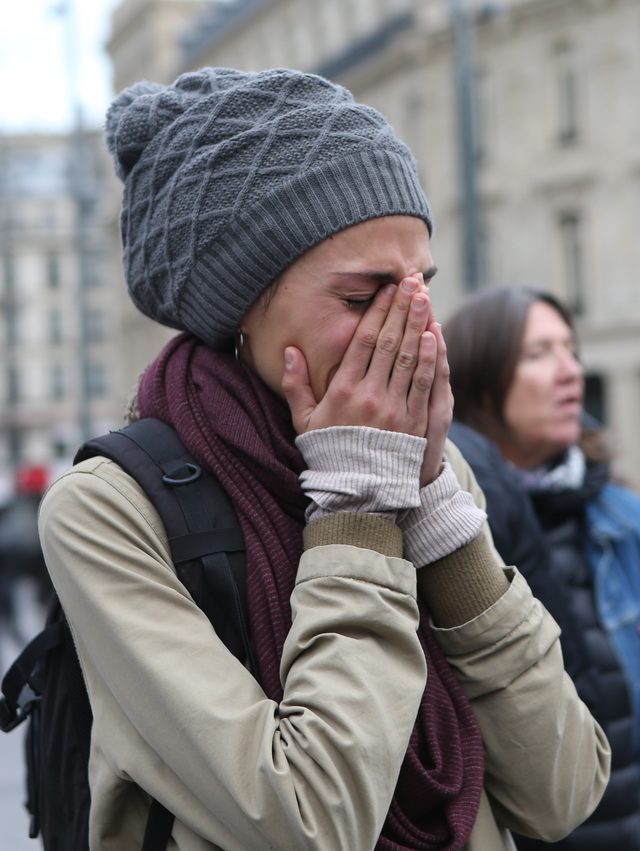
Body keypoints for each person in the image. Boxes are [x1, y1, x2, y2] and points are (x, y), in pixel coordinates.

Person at [37, 69, 609, 851]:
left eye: (422, 289)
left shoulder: (429, 470)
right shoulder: (110, 508)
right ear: (238, 305)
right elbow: (311, 821)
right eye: (362, 296)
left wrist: (439, 510)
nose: (414, 330)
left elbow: (563, 788)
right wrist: (359, 513)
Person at [444, 286, 640, 849]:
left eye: (570, 350)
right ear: (482, 378)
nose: (569, 372)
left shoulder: (621, 520)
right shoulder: (454, 533)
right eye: (538, 354)